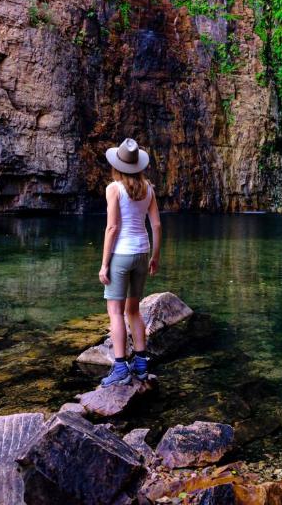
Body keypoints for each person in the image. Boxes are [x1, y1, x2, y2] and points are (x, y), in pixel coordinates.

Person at [98, 138, 161, 387]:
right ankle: (142, 364)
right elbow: (156, 225)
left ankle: (121, 367)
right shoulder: (149, 189)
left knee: (115, 311)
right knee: (133, 310)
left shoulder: (114, 188)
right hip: (142, 253)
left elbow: (112, 227)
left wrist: (104, 264)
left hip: (121, 255)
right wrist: (155, 257)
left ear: (117, 165)